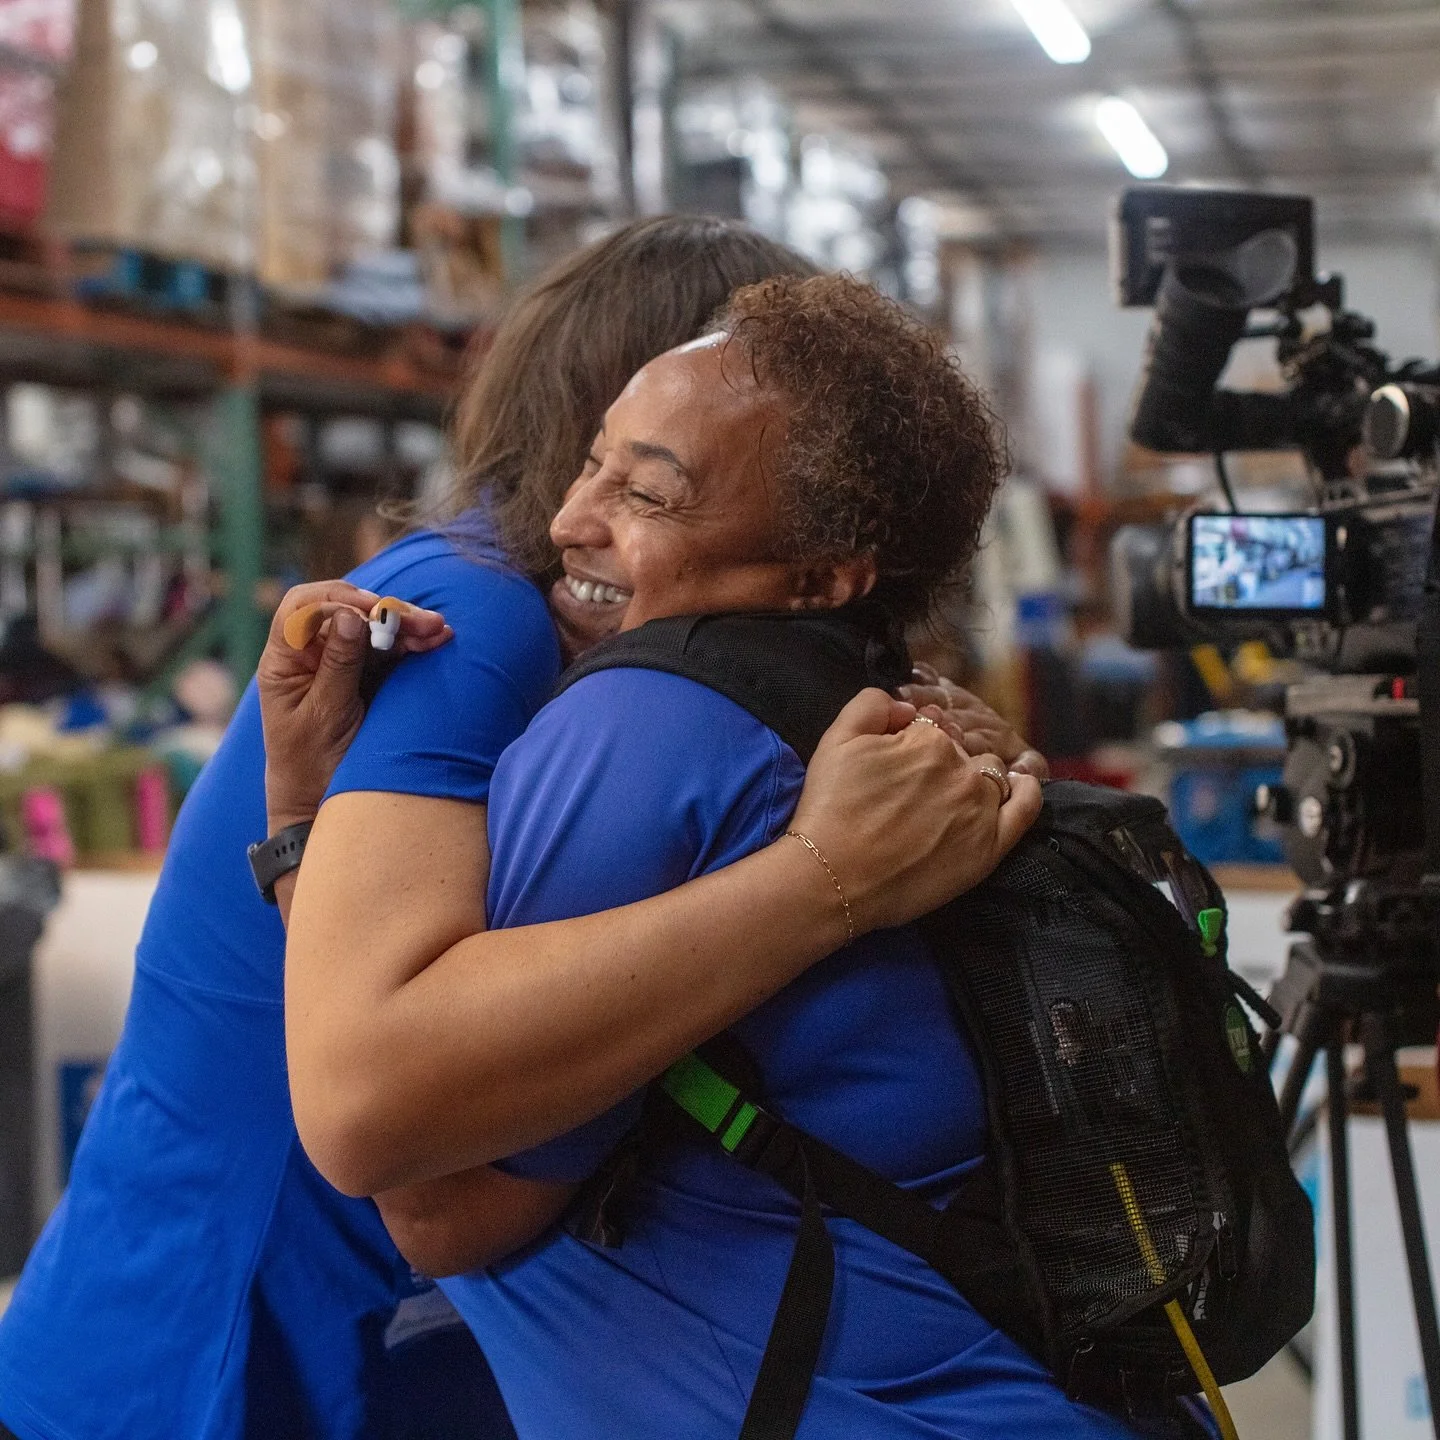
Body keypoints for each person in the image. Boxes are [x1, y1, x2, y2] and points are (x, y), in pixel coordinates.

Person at [0, 218, 1035, 1440]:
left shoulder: (649, 670)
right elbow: (381, 1092)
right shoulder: (476, 616)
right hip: (216, 1350)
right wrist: (826, 880)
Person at [271, 276, 1141, 1438]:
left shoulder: (650, 723)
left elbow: (433, 1197)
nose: (572, 520)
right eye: (593, 464)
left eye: (649, 494)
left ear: (821, 574)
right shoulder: (879, 704)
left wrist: (303, 827)